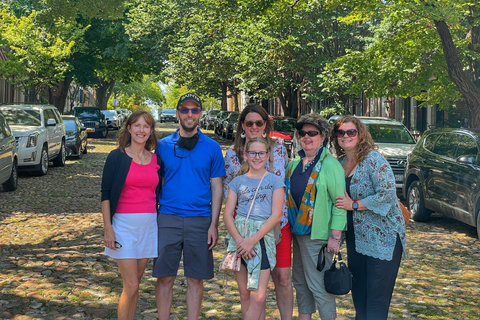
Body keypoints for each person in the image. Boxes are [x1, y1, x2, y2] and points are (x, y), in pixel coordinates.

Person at [153, 93, 225, 320]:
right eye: (184, 110)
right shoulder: (163, 146)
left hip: (200, 220)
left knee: (196, 278)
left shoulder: (212, 148)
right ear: (177, 114)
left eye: (194, 110)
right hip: (167, 218)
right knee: (165, 277)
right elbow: (153, 182)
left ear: (201, 114)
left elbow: (217, 187)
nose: (189, 114)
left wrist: (214, 224)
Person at [332, 115, 407, 320]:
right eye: (341, 132)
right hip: (356, 240)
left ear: (360, 134)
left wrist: (354, 205)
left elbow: (388, 194)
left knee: (376, 301)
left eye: (351, 132)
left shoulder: (373, 160)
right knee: (360, 297)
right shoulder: (339, 163)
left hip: (383, 239)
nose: (345, 136)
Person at [223, 103, 294, 319]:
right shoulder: (233, 154)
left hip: (278, 223)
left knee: (282, 277)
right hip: (245, 229)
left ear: (265, 124)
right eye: (249, 122)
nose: (254, 126)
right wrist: (242, 237)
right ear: (242, 126)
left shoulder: (280, 149)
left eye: (259, 122)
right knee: (251, 290)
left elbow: (285, 183)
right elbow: (229, 195)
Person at [285, 113, 346, 320]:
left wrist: (335, 236)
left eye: (313, 133)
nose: (306, 137)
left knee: (319, 285)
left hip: (318, 236)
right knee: (301, 282)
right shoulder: (294, 164)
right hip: (297, 233)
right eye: (302, 133)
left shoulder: (330, 165)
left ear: (323, 137)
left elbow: (340, 203)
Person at [101, 111, 161, 320]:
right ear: (128, 128)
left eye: (146, 126)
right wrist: (108, 228)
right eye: (137, 125)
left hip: (148, 226)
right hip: (123, 226)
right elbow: (106, 194)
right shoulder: (117, 157)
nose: (141, 130)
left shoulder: (155, 159)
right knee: (131, 284)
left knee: (136, 284)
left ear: (151, 131)